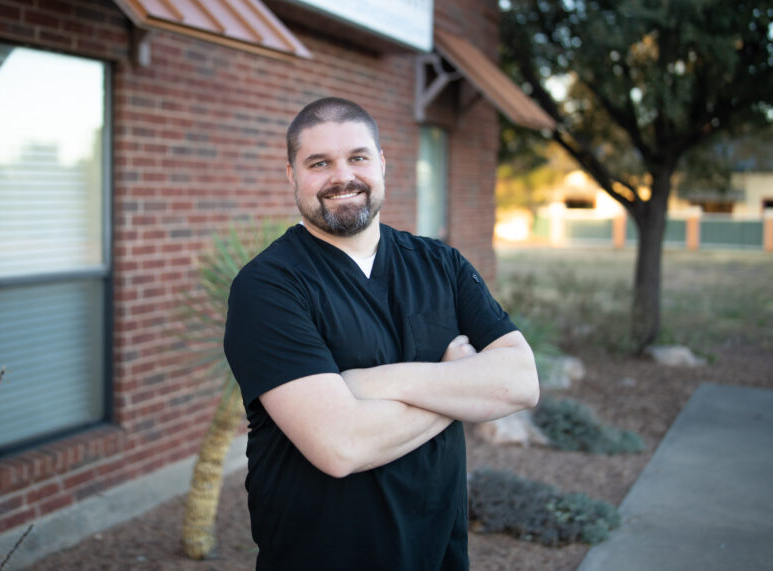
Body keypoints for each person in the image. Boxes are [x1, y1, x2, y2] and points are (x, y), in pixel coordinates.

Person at [223, 96, 540, 570]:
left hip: (439, 552)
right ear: (292, 175)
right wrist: (454, 383)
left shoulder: (442, 265)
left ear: (382, 164)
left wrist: (374, 384)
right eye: (318, 163)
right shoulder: (269, 287)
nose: (341, 176)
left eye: (357, 157)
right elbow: (340, 446)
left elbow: (521, 381)